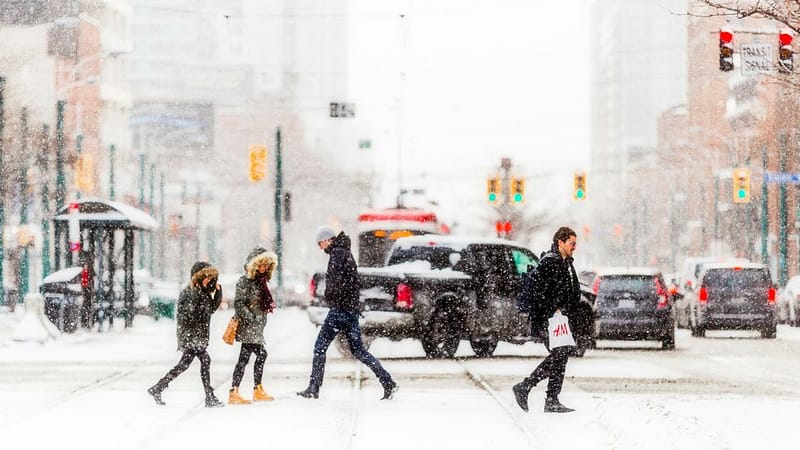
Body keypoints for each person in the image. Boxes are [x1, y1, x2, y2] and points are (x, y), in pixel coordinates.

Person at [297, 226, 398, 400]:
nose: (320, 247)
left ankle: (314, 388)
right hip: (350, 311)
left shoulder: (337, 254)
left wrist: (330, 296)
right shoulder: (345, 252)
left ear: (328, 239)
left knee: (319, 348)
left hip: (339, 311)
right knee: (359, 351)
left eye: (320, 243)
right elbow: (351, 283)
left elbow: (337, 283)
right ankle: (387, 381)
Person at [513, 226, 580, 413]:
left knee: (561, 355)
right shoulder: (550, 262)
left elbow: (569, 291)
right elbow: (539, 292)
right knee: (559, 354)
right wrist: (553, 309)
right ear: (560, 242)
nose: (574, 246)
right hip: (547, 319)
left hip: (558, 319)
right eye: (571, 243)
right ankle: (526, 387)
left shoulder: (565, 262)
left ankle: (551, 399)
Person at [148, 261, 224, 408]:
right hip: (191, 336)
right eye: (207, 276)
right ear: (199, 276)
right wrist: (193, 332)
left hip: (197, 336)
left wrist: (218, 292)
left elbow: (211, 309)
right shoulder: (190, 292)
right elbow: (189, 316)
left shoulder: (202, 291)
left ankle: (158, 387)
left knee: (183, 365)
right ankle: (209, 396)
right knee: (204, 360)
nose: (209, 279)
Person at [228, 246, 278, 405]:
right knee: (255, 356)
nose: (264, 268)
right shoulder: (245, 281)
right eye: (262, 264)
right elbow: (239, 304)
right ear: (254, 265)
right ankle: (241, 391)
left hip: (256, 328)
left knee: (246, 358)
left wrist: (259, 319)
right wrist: (253, 317)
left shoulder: (260, 282)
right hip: (248, 326)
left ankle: (248, 389)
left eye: (267, 265)